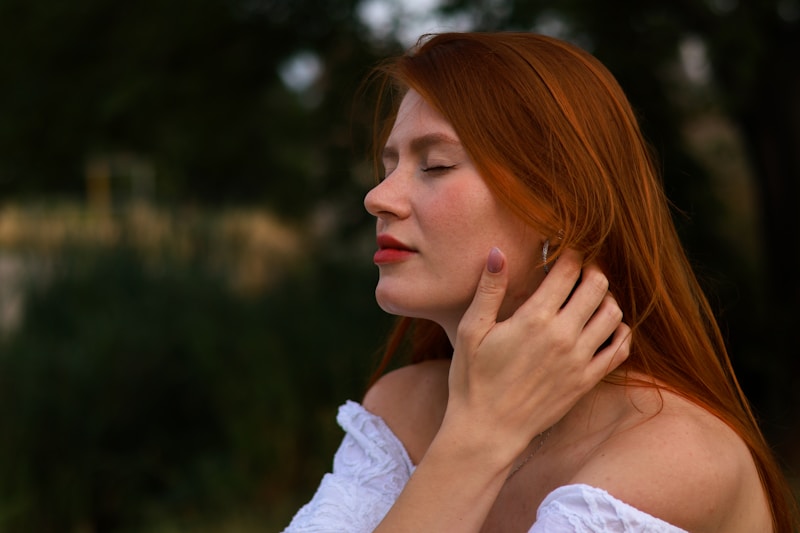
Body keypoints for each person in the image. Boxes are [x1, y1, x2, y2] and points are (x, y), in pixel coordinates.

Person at [284, 32, 798, 532]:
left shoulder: (670, 454)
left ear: (559, 209)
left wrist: (480, 436)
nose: (379, 196)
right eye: (389, 164)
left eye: (435, 165)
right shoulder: (402, 410)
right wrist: (480, 431)